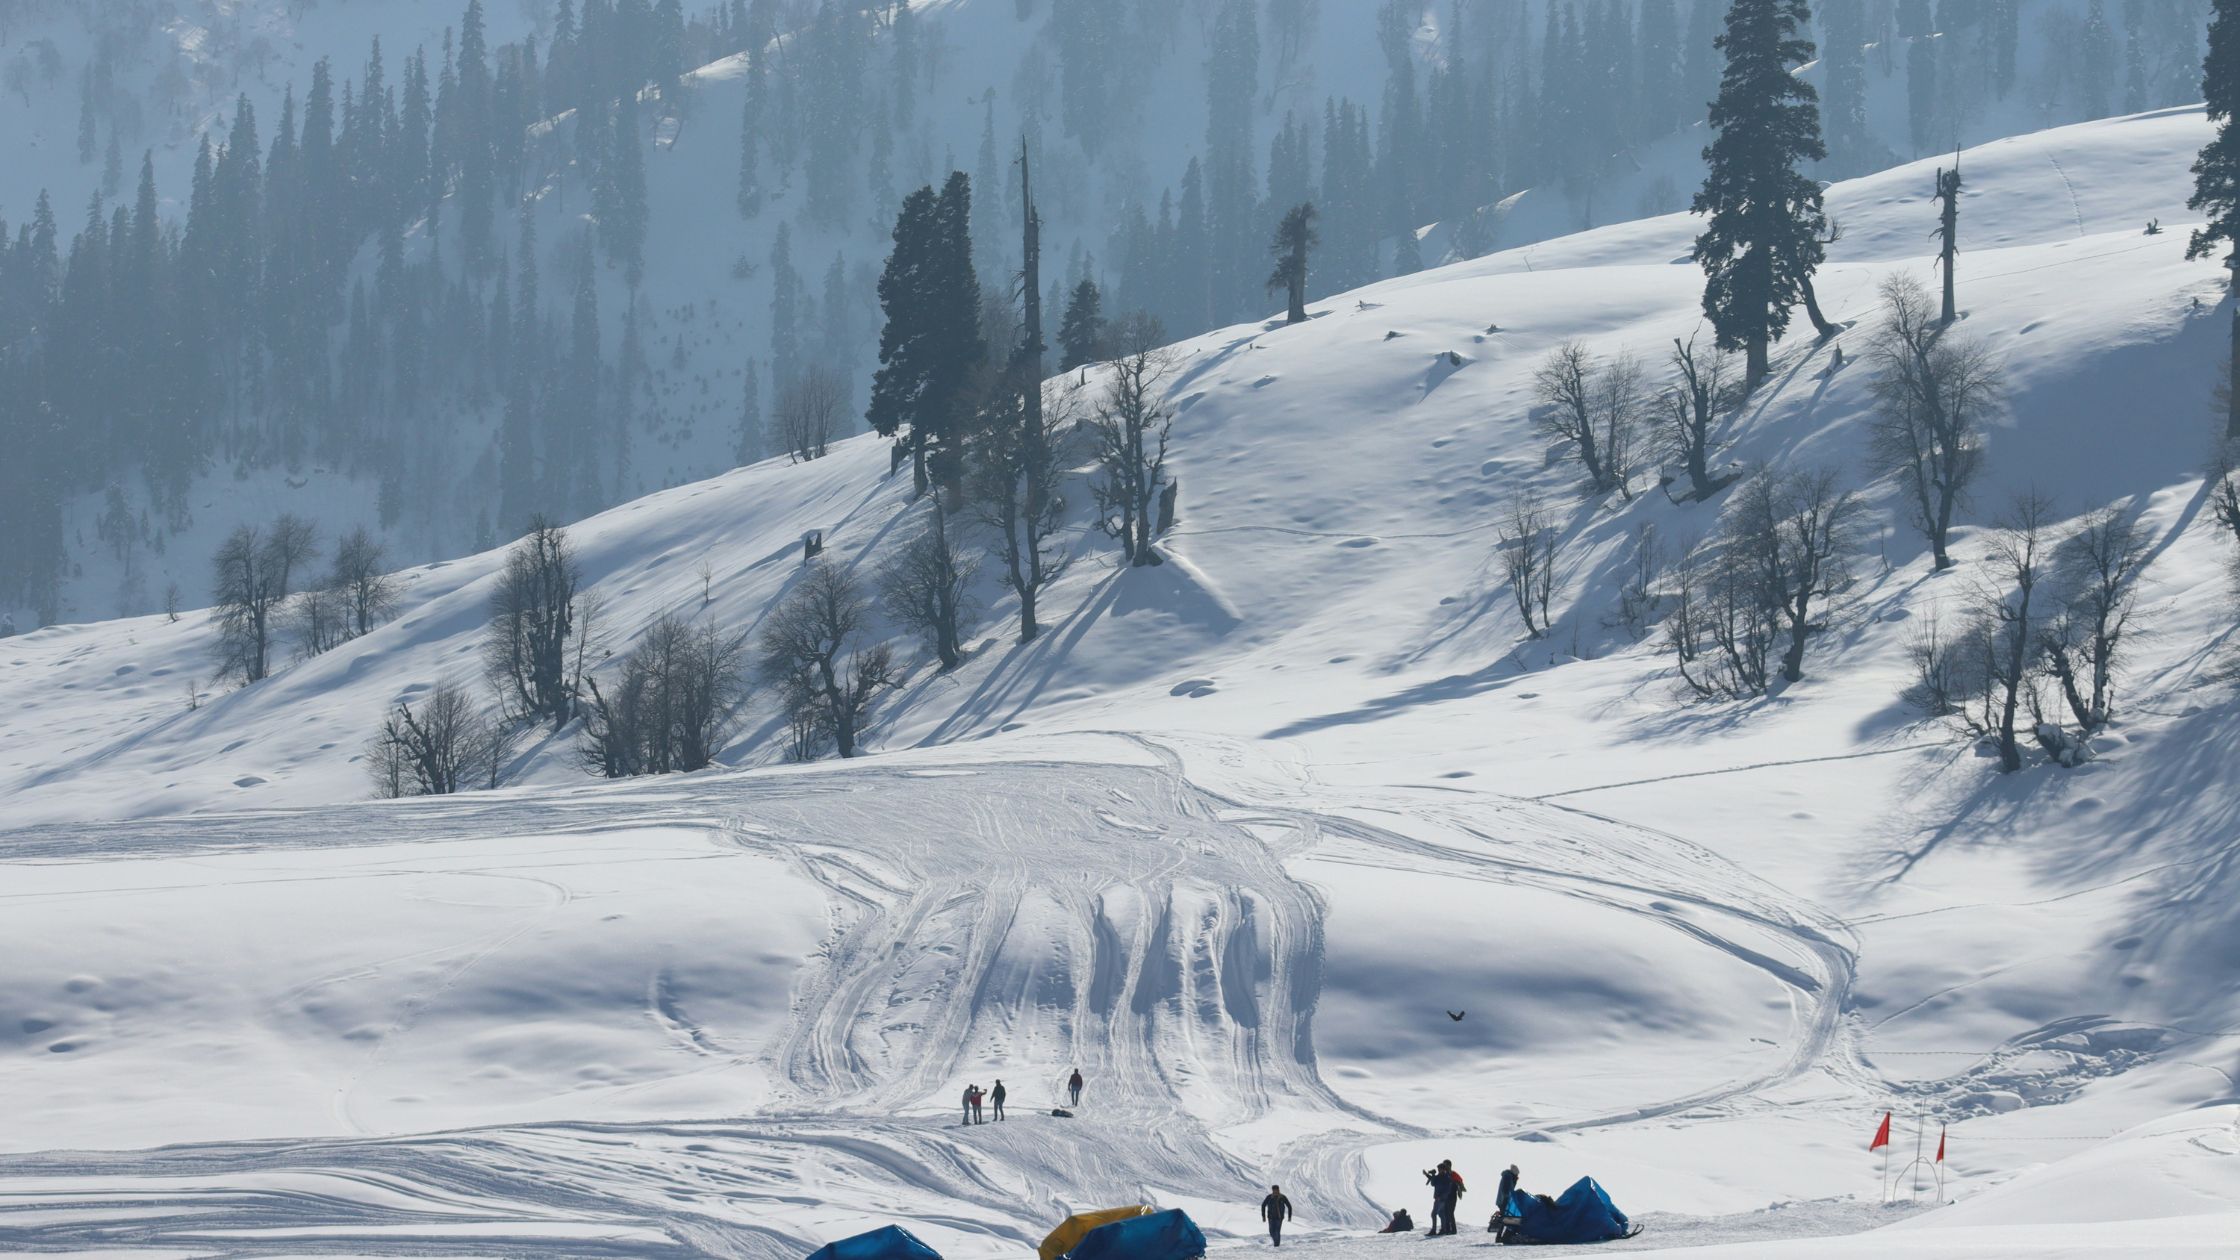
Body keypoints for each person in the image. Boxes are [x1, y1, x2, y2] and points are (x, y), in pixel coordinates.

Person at [1422, 1159, 1462, 1236]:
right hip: (1439, 1198)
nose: (1438, 1170)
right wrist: (1430, 1174)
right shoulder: (1439, 1176)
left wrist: (1442, 1197)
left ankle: (1444, 1229)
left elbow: (1448, 1189)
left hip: (1444, 1199)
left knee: (1440, 1214)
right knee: (1441, 1214)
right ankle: (1443, 1229)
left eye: (1439, 1169)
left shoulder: (1448, 1177)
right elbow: (1433, 1183)